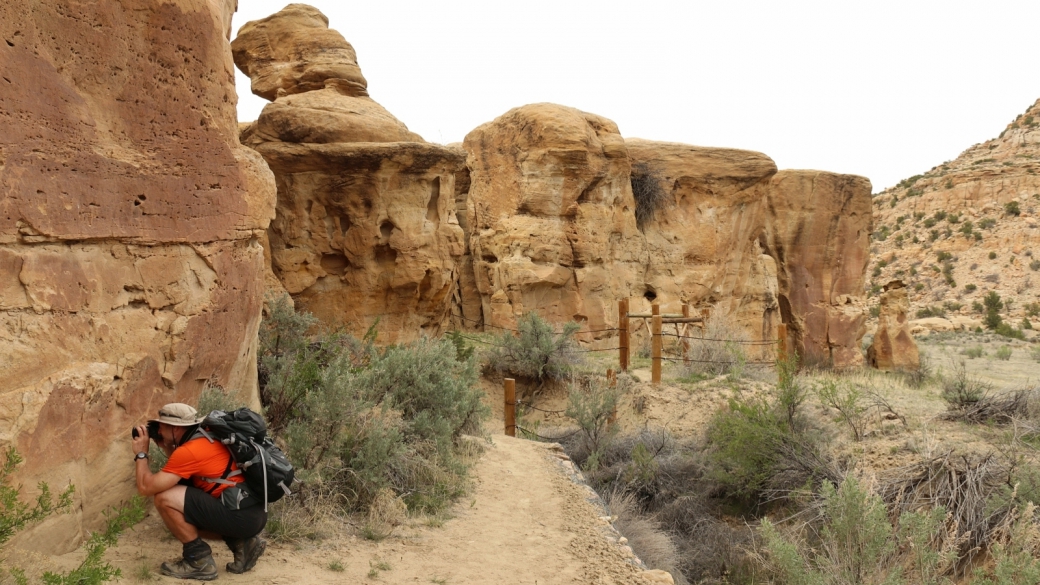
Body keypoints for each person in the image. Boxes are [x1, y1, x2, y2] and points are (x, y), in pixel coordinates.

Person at [132, 403, 267, 581]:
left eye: (162, 426)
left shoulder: (190, 451)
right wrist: (166, 445)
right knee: (185, 507)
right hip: (253, 514)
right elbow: (182, 471)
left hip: (241, 517)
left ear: (175, 428)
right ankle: (242, 543)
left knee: (164, 499)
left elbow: (145, 488)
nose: (159, 430)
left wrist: (141, 454)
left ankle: (198, 560)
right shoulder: (207, 435)